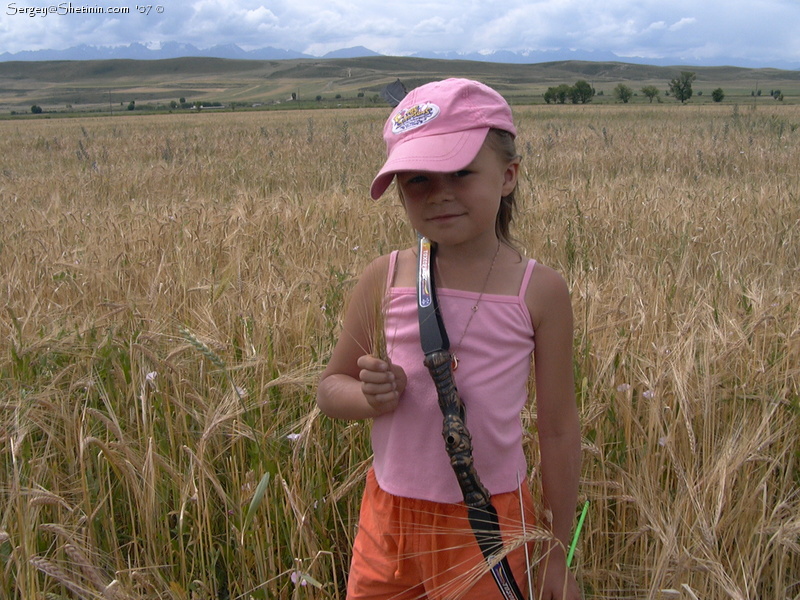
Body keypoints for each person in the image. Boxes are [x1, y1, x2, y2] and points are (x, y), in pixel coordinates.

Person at [317, 78, 582, 600]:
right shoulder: (385, 277)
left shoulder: (540, 292)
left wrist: (554, 545)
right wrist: (368, 397)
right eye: (417, 180)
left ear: (508, 176)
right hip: (389, 521)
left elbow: (557, 429)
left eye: (461, 172)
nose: (439, 193)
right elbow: (329, 389)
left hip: (491, 522)